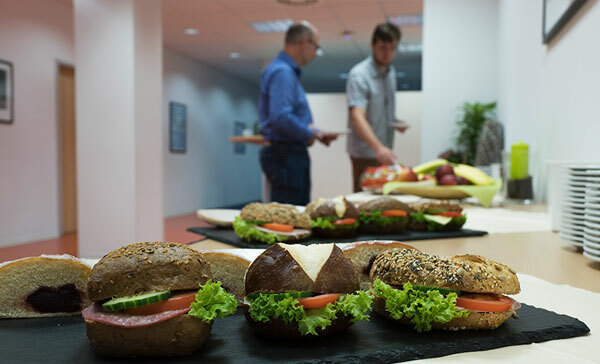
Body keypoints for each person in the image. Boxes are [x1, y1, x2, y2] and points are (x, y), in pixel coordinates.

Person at [259, 21, 338, 205]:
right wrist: (312, 132)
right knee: (290, 219)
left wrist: (313, 133)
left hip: (288, 154)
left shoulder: (285, 71)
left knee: (294, 214)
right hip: (286, 155)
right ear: (303, 42)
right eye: (315, 46)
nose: (315, 53)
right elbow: (281, 117)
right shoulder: (282, 72)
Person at [346, 22, 409, 192]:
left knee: (384, 198)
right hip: (366, 152)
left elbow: (378, 111)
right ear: (373, 45)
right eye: (382, 47)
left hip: (384, 151)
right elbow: (357, 116)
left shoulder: (391, 72)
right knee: (364, 203)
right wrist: (378, 147)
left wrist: (395, 122)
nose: (387, 52)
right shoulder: (359, 75)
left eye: (392, 47)